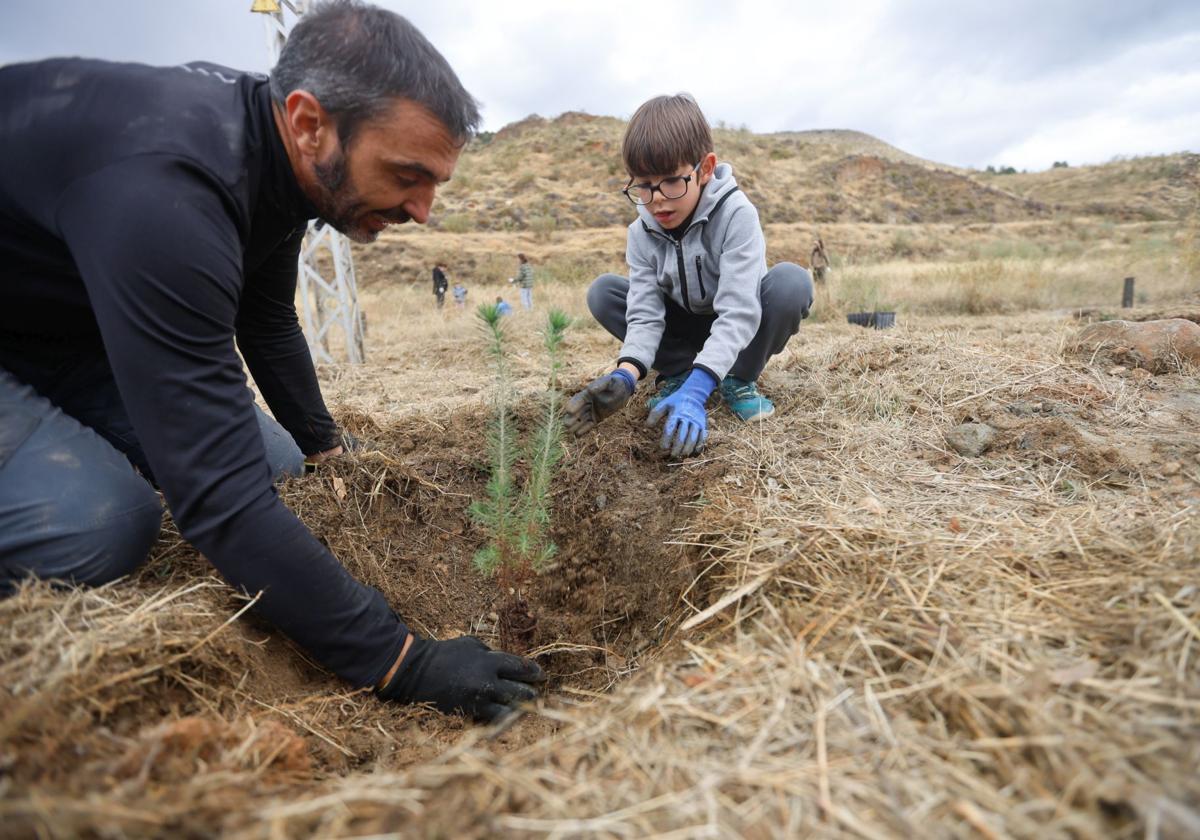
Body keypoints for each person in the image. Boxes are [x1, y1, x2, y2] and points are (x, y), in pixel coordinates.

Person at [0, 1, 543, 722]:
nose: (424, 210)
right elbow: (217, 500)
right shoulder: (170, 194)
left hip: (67, 329)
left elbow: (265, 317)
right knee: (100, 521)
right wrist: (403, 661)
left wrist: (324, 446)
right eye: (409, 174)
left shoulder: (279, 163)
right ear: (310, 122)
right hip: (34, 330)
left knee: (280, 466)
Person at [564, 93, 813, 458]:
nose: (658, 199)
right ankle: (678, 373)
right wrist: (626, 375)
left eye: (672, 182)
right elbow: (646, 313)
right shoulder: (641, 232)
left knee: (792, 283)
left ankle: (736, 379)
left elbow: (740, 311)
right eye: (644, 185)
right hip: (682, 326)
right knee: (604, 292)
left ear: (705, 168)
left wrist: (700, 389)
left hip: (738, 327)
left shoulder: (736, 214)